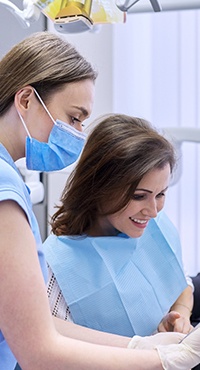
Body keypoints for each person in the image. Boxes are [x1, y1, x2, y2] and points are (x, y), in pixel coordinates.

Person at [2, 30, 200, 370]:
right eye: (74, 117)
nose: (79, 133)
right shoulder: (5, 190)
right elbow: (38, 349)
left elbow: (35, 324)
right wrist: (164, 359)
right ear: (26, 100)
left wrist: (142, 346)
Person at [44, 114, 193, 339]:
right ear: (100, 187)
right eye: (139, 196)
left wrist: (180, 314)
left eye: (160, 194)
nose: (153, 211)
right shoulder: (56, 268)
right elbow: (53, 349)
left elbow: (181, 282)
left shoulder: (153, 226)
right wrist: (147, 352)